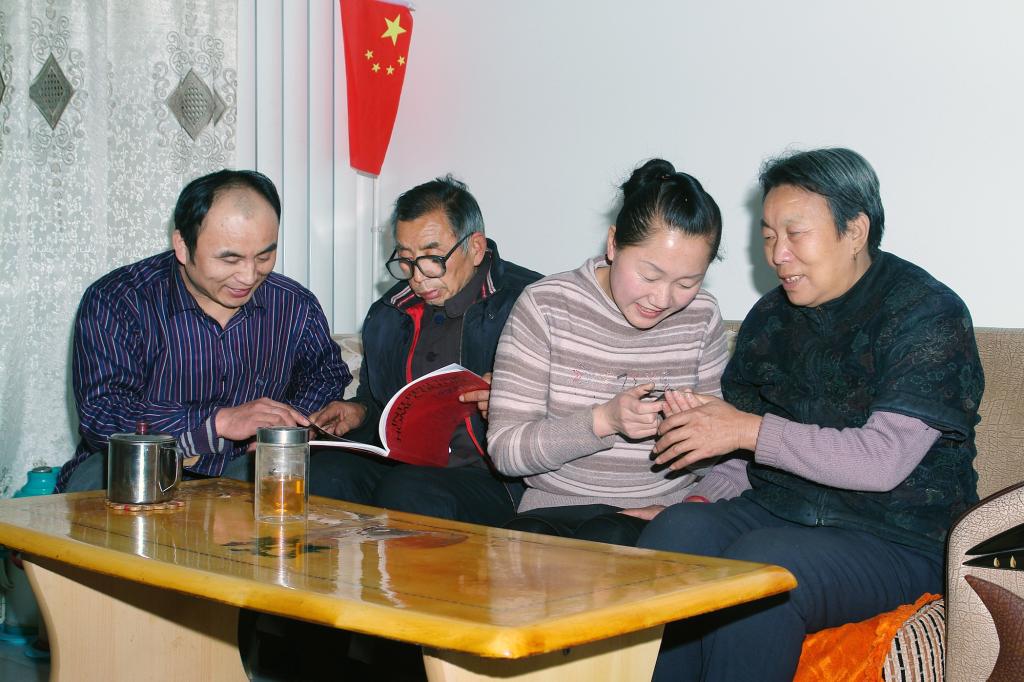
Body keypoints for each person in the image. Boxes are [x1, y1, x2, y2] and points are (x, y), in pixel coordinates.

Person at [637, 148, 984, 681]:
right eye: (769, 236)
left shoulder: (926, 313)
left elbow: (882, 460)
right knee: (679, 533)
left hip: (898, 536)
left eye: (795, 234)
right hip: (782, 511)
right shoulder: (770, 318)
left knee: (765, 567)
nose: (778, 255)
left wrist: (746, 429)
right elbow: (741, 455)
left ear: (855, 230)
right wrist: (702, 495)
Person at [486, 159, 746, 546]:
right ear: (613, 244)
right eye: (650, 275)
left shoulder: (702, 315)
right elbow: (506, 452)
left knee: (609, 538)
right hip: (553, 509)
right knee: (522, 546)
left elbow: (723, 459)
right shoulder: (547, 306)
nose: (662, 299)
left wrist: (692, 435)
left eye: (687, 283)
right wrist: (603, 420)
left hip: (659, 514)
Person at [56, 169, 352, 492]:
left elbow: (327, 374)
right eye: (230, 259)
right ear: (183, 246)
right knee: (98, 481)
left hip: (243, 467)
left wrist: (288, 428)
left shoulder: (294, 304)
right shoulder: (118, 300)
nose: (249, 276)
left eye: (265, 256)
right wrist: (217, 422)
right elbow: (103, 413)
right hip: (137, 465)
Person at [308, 175, 542, 526]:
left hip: (498, 479)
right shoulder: (390, 313)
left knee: (409, 490)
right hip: (406, 466)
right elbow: (378, 402)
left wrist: (511, 400)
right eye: (406, 259)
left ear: (475, 247)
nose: (417, 277)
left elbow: (569, 404)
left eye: (432, 258)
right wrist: (359, 413)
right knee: (318, 474)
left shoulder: (532, 302)